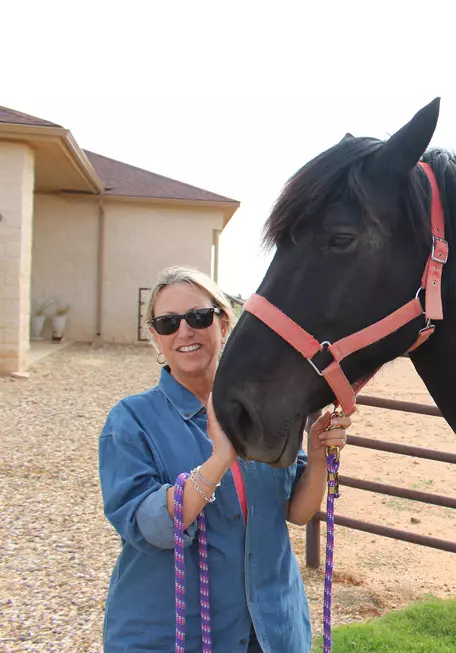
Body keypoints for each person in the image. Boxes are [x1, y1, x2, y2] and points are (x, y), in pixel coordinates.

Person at [98, 265, 349, 653]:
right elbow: (153, 528)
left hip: (271, 632)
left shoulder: (266, 410)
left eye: (199, 317)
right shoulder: (130, 422)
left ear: (224, 322)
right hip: (175, 636)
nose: (185, 332)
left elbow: (297, 513)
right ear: (154, 336)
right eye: (168, 323)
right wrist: (219, 460)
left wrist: (316, 458)